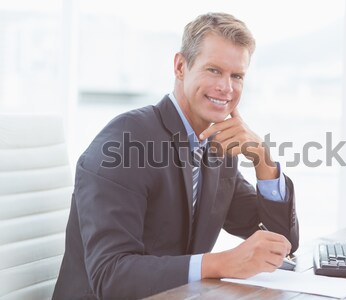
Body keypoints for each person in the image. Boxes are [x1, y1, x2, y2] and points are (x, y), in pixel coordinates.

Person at [53, 12, 299, 299]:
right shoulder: (124, 142)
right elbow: (111, 277)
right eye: (214, 70)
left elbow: (281, 245)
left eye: (237, 76)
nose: (226, 88)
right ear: (181, 66)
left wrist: (263, 160)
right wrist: (221, 263)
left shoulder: (217, 149)